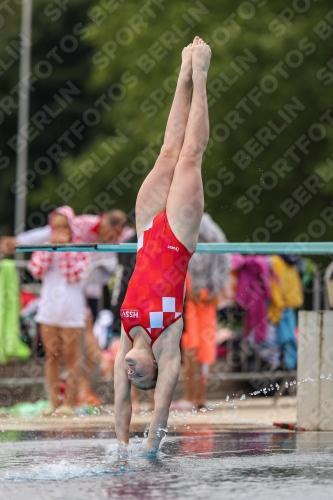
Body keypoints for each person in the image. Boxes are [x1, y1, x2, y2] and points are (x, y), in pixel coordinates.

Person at [115, 36, 211, 453]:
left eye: (129, 375)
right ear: (155, 368)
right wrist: (148, 449)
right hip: (177, 238)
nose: (131, 374)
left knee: (167, 151)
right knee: (190, 156)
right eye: (141, 378)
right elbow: (158, 410)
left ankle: (181, 77)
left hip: (145, 231)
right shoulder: (166, 343)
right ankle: (202, 76)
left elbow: (121, 404)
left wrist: (120, 447)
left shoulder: (125, 335)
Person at [28, 206, 90, 415]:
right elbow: (36, 270)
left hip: (72, 308)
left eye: (64, 227)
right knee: (52, 356)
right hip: (49, 308)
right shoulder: (46, 247)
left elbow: (75, 275)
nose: (61, 231)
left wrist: (63, 250)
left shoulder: (80, 249)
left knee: (72, 357)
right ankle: (53, 402)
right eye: (57, 227)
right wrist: (49, 249)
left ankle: (68, 404)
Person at [171, 213, 230, 411]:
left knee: (193, 347)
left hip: (193, 297)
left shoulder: (187, 223)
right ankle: (199, 398)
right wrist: (214, 288)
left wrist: (193, 289)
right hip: (205, 296)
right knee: (204, 347)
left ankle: (192, 397)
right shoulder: (212, 230)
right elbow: (225, 257)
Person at [0, 209, 132, 253]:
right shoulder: (81, 224)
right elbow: (47, 233)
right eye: (114, 235)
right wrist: (19, 241)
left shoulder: (127, 234)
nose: (116, 239)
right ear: (105, 225)